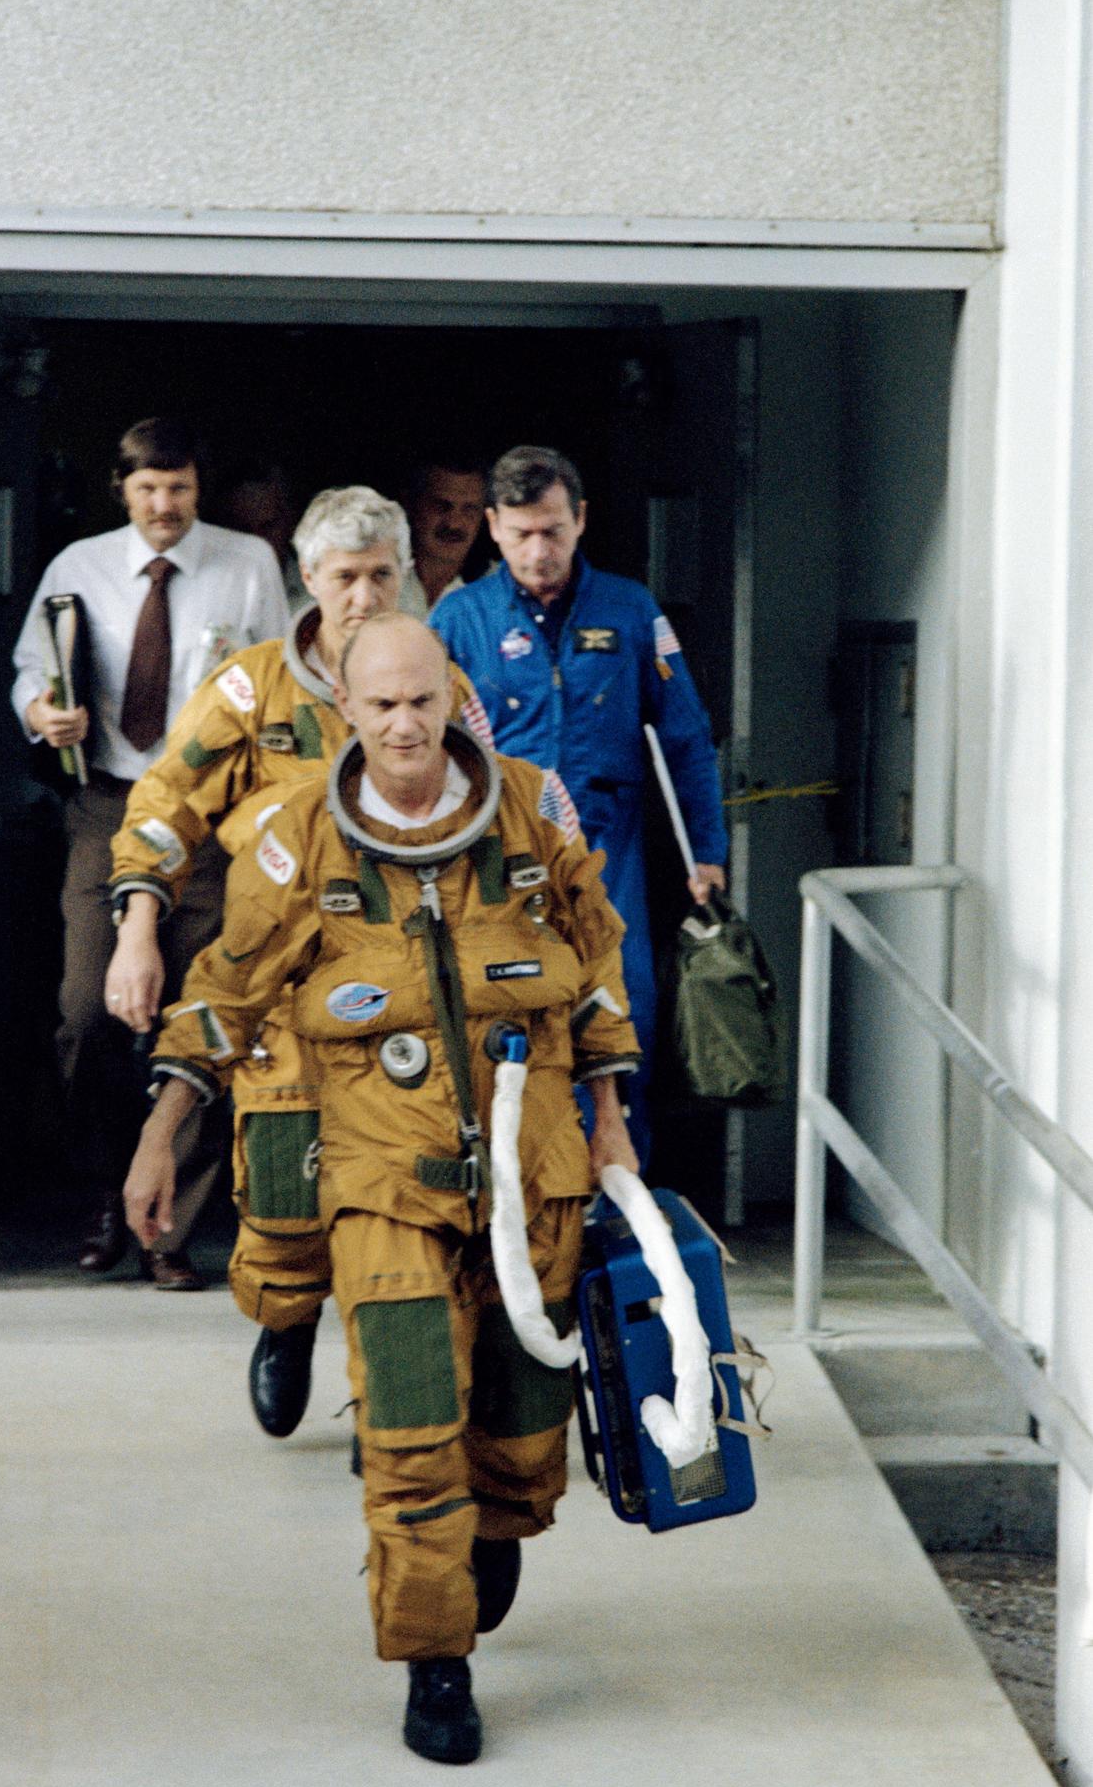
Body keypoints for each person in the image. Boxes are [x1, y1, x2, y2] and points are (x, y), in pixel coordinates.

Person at [123, 613, 640, 1764]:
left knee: (516, 1428)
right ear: (345, 712)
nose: (403, 727)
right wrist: (163, 1130)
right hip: (382, 1183)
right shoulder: (297, 833)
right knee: (409, 1431)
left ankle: (496, 1524)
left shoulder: (532, 808)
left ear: (453, 698)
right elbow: (230, 987)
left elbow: (595, 960)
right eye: (380, 706)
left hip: (531, 1177)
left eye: (422, 702)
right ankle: (433, 1665)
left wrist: (609, 1124)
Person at [105, 488, 494, 1432]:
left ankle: (387, 1391)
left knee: (409, 1195)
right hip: (279, 982)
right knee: (283, 1185)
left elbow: (492, 819)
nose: (364, 596)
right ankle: (286, 1320)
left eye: (381, 576)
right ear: (308, 582)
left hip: (406, 990)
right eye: (344, 577)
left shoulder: (442, 685)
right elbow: (165, 802)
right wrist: (138, 927)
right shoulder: (250, 691)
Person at [11, 415, 288, 1286]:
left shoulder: (246, 565)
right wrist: (40, 713)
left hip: (212, 811)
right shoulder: (78, 567)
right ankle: (104, 1190)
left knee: (199, 1015)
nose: (165, 506)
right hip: (109, 802)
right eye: (148, 491)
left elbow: (279, 682)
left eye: (179, 490)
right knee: (89, 1009)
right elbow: (29, 668)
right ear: (122, 492)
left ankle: (170, 1227)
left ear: (198, 492)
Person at [431, 444, 728, 1170]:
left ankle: (621, 1207)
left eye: (555, 531)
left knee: (625, 1017)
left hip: (607, 848)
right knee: (502, 1018)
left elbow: (686, 737)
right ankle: (520, 1201)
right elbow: (422, 750)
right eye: (524, 532)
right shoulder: (458, 619)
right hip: (495, 854)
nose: (540, 550)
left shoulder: (630, 610)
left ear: (581, 520)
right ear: (494, 527)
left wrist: (708, 855)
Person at [397, 459, 487, 617]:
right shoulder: (376, 574)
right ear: (410, 504)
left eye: (469, 509)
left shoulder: (498, 587)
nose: (454, 524)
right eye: (440, 506)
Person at [220, 463, 307, 613]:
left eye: (268, 527)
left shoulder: (321, 591)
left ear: (290, 523)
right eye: (245, 531)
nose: (258, 542)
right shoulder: (211, 594)